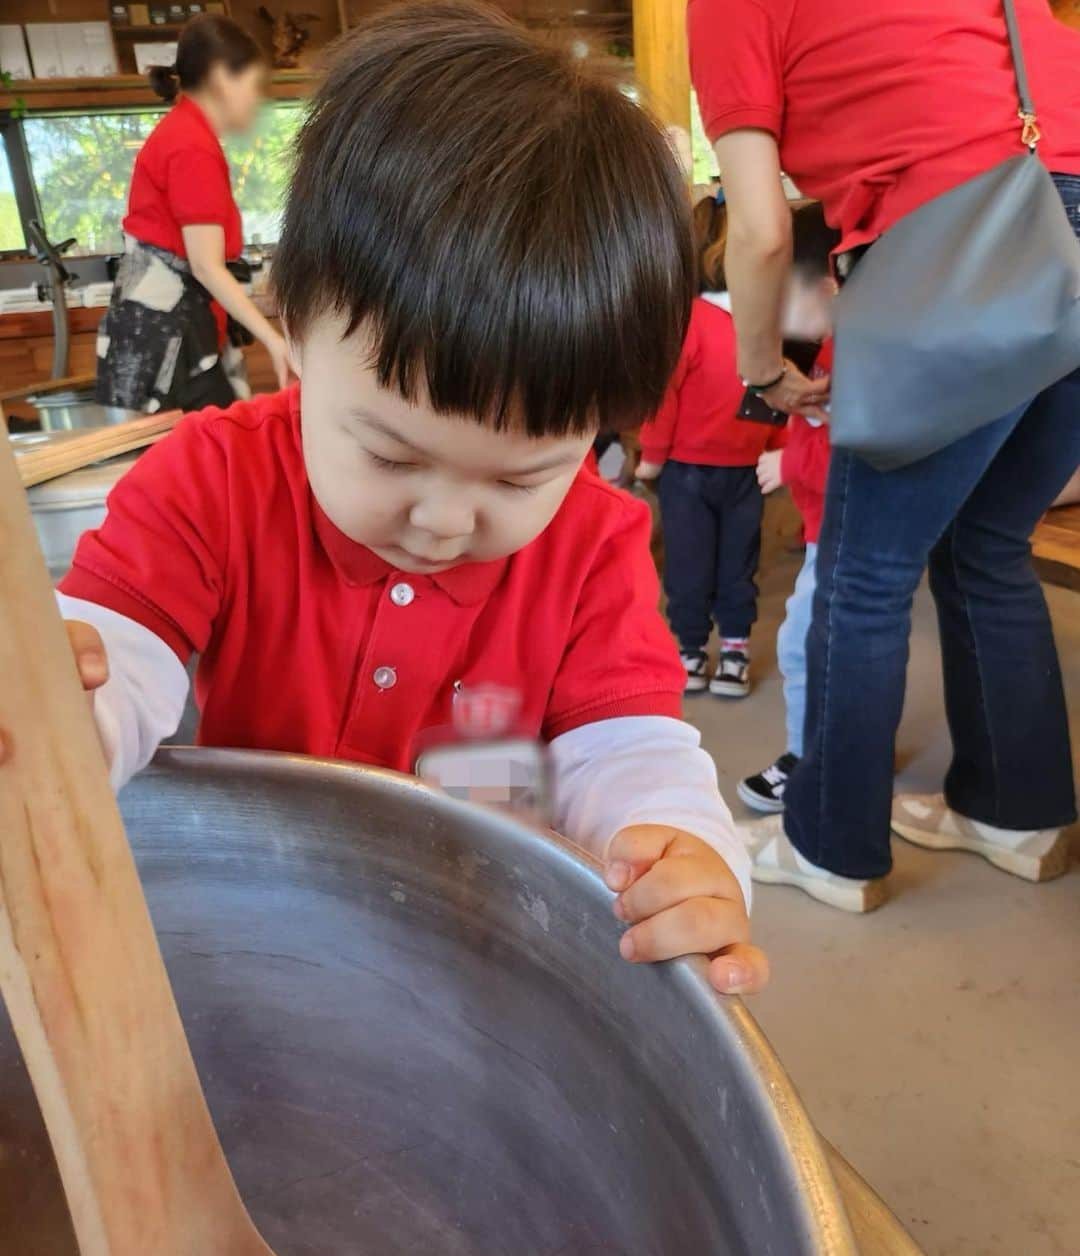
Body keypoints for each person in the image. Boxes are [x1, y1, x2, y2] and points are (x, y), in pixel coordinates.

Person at [58, 1, 767, 996]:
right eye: (392, 457)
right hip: (256, 921)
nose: (444, 522)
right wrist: (63, 720)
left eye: (521, 476)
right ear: (292, 332)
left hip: (471, 943)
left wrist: (680, 846)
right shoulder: (211, 478)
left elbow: (630, 745)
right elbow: (115, 657)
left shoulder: (596, 542)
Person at [689, 0, 1080, 909]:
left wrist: (761, 374)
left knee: (865, 574)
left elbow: (758, 231)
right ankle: (1017, 812)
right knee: (987, 543)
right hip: (1064, 219)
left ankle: (829, 844)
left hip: (968, 246)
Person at [96, 13, 293, 414]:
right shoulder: (190, 145)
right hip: (167, 333)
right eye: (253, 86)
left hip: (158, 329)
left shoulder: (185, 133)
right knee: (202, 462)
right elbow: (205, 266)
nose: (257, 99)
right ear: (223, 79)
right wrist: (274, 341)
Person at [635, 192, 787, 699]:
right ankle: (722, 654)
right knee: (730, 564)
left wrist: (650, 463)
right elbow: (773, 393)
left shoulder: (690, 324)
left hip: (691, 472)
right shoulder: (754, 324)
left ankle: (697, 652)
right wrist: (778, 446)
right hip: (732, 468)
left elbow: (665, 401)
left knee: (696, 564)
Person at [738, 204, 838, 813]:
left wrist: (791, 464)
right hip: (826, 529)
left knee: (806, 644)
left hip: (840, 532)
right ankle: (838, 747)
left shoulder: (850, 346)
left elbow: (859, 450)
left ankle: (809, 758)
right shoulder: (832, 343)